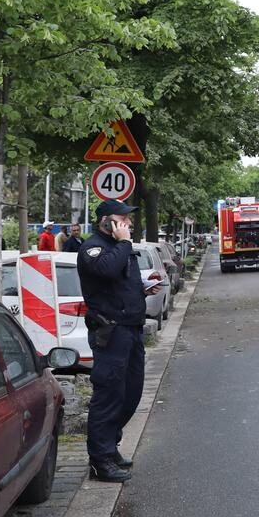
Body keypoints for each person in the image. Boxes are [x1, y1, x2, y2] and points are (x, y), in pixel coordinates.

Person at [79, 199, 159, 483]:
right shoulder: (93, 247)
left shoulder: (119, 247)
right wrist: (124, 243)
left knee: (130, 393)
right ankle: (100, 460)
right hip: (111, 332)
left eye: (128, 219)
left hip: (131, 330)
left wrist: (144, 289)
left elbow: (119, 283)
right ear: (106, 221)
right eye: (122, 219)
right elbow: (106, 270)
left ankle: (110, 446)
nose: (128, 223)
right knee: (109, 395)